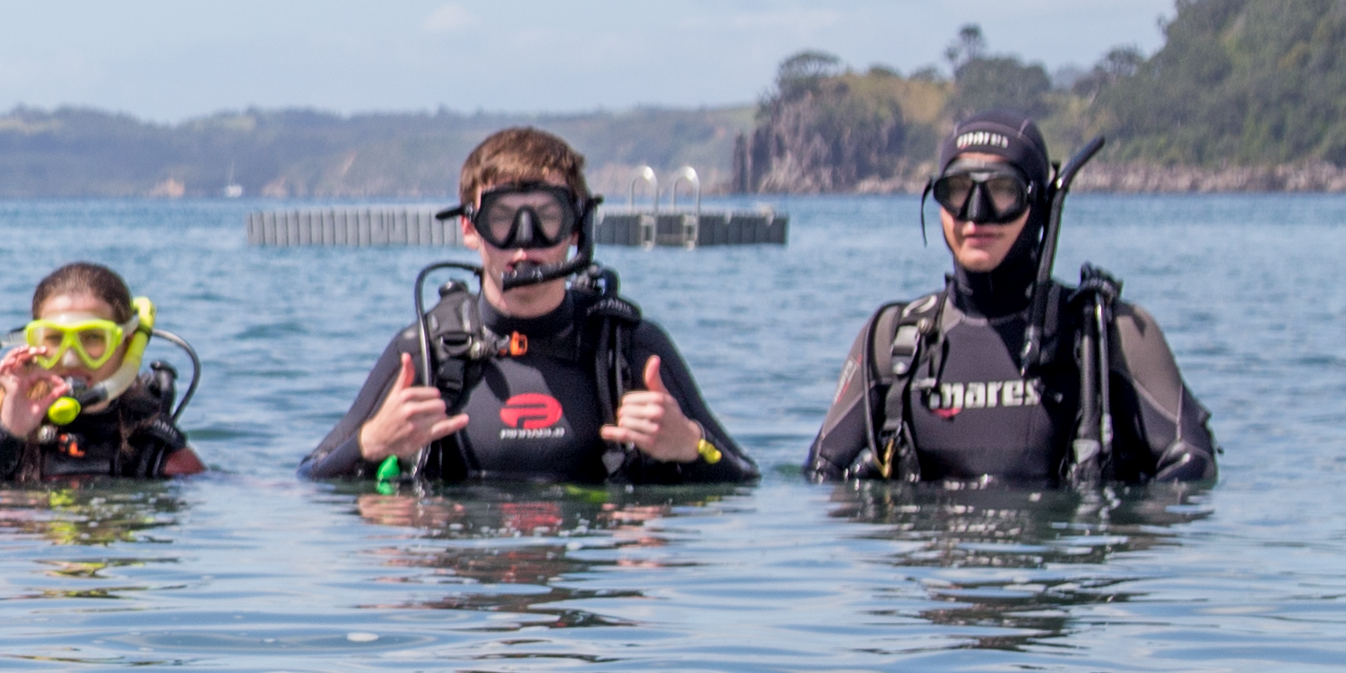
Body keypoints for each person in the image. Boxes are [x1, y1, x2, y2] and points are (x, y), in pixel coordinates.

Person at [302, 127, 753, 490]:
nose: (525, 240)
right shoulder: (428, 350)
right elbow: (311, 475)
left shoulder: (627, 347)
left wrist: (691, 446)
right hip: (471, 585)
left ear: (576, 229)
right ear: (469, 228)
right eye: (502, 217)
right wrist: (371, 442)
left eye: (546, 217)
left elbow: (744, 476)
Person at [805, 114, 1216, 486]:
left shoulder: (1108, 335)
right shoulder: (893, 340)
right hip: (936, 566)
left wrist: (1119, 543)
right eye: (958, 191)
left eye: (1003, 192)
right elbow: (820, 474)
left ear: (1039, 205)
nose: (976, 215)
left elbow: (1193, 462)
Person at [0, 261, 210, 488]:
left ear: (127, 344)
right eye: (54, 339)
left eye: (92, 338)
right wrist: (7, 432)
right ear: (33, 344)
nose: (72, 358)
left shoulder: (152, 446)